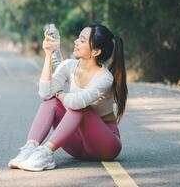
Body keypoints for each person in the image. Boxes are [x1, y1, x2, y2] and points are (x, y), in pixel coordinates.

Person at [8, 24, 128, 172]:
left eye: (82, 40)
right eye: (78, 38)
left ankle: (45, 153)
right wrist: (48, 54)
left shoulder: (104, 77)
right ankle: (30, 148)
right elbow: (45, 93)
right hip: (78, 146)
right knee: (51, 101)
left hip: (105, 146)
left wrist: (59, 93)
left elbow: (76, 102)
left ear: (96, 51)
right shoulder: (69, 66)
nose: (76, 42)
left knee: (80, 106)